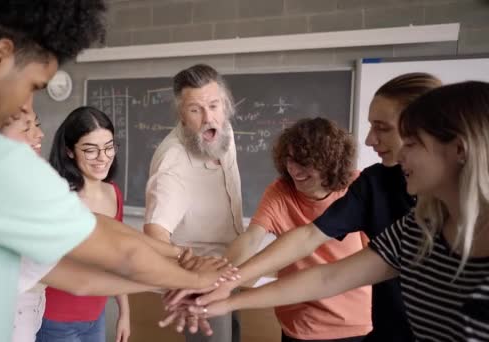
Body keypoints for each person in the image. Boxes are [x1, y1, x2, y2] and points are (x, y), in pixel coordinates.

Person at [0, 2, 232, 342]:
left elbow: (86, 256)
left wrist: (173, 267)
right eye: (34, 86)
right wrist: (199, 280)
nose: (27, 108)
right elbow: (117, 250)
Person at [195, 80, 489, 341]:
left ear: (460, 150)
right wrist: (227, 296)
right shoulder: (416, 227)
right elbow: (324, 272)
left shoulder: (364, 187)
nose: (370, 140)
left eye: (409, 141)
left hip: (353, 325)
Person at [221, 117, 372, 342]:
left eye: (304, 161)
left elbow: (375, 253)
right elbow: (251, 238)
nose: (293, 168)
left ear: (331, 163)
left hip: (356, 322)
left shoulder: (357, 186)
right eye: (289, 159)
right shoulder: (280, 191)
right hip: (301, 325)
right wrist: (223, 277)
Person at [144, 64, 244, 342]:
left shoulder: (224, 132)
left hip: (232, 269)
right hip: (201, 286)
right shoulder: (173, 163)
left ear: (225, 104)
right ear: (181, 115)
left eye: (214, 105)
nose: (208, 118)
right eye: (195, 110)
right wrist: (190, 279)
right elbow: (155, 235)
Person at [37, 107, 129, 342]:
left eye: (109, 147)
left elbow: (119, 258)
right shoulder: (58, 198)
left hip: (95, 316)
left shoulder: (114, 194)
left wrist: (124, 312)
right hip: (55, 319)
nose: (103, 157)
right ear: (69, 151)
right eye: (90, 150)